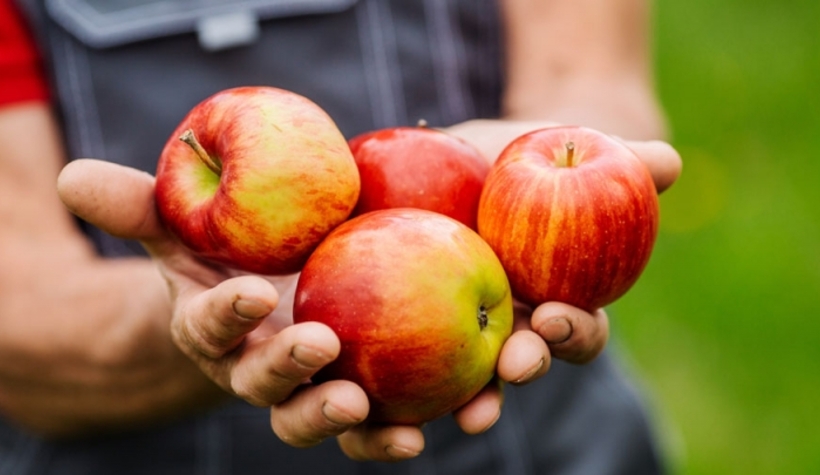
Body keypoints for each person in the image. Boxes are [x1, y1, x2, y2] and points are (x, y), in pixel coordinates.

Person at [1, 0, 681, 473]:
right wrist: (230, 314)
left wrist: (560, 193)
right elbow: (19, 304)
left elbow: (591, 81)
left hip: (535, 433)